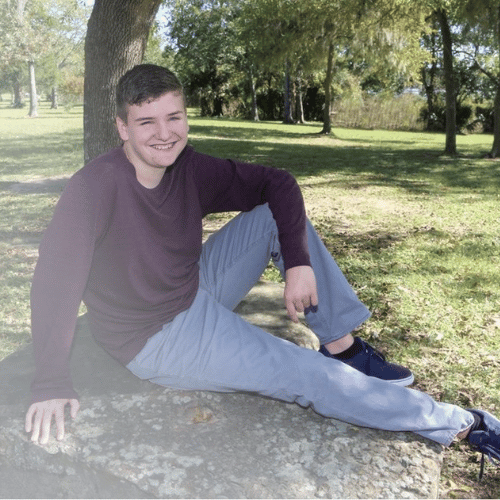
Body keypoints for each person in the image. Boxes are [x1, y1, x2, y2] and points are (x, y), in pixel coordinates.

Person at [25, 64, 500, 480]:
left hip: (193, 285)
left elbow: (279, 182)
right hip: (158, 336)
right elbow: (53, 286)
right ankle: (464, 423)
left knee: (273, 216)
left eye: (174, 117)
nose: (164, 133)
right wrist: (49, 381)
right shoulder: (95, 188)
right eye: (146, 121)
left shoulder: (188, 166)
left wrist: (297, 262)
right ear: (122, 127)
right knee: (304, 374)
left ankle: (342, 345)